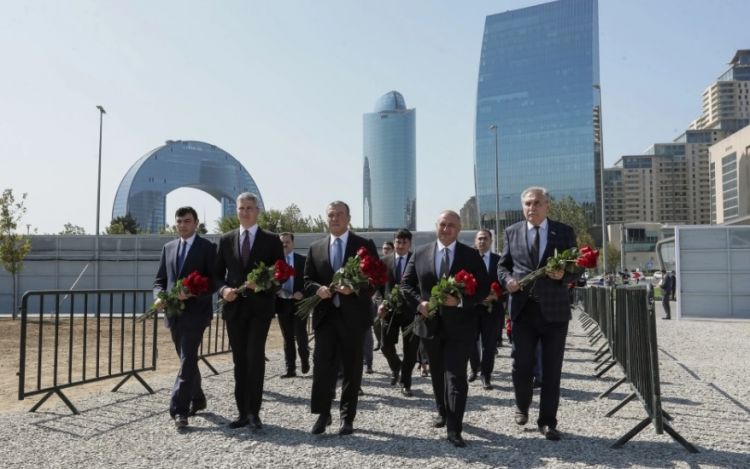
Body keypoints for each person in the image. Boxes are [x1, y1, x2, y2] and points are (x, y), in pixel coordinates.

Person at [402, 210, 489, 448]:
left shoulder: (470, 256)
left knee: (456, 376)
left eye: (451, 225)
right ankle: (442, 411)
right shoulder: (420, 254)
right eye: (442, 224)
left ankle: (455, 428)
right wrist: (419, 304)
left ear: (459, 229)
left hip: (460, 326)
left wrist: (460, 301)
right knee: (438, 373)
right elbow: (406, 285)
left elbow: (483, 288)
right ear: (436, 226)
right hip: (430, 326)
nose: (446, 228)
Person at [497, 186, 578, 441]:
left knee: (552, 370)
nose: (531, 208)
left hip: (554, 312)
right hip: (523, 311)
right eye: (527, 204)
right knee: (521, 366)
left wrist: (564, 275)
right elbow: (503, 266)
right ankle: (522, 405)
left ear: (547, 205)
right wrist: (507, 280)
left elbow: (577, 269)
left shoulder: (564, 232)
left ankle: (548, 421)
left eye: (536, 203)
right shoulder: (512, 232)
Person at [304, 201, 378, 436]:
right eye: (330, 215)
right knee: (322, 367)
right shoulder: (316, 248)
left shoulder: (363, 245)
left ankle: (347, 417)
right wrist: (317, 289)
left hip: (353, 318)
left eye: (339, 215)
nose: (334, 218)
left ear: (348, 217)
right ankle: (323, 414)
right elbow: (306, 280)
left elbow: (374, 280)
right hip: (325, 317)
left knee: (352, 368)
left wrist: (354, 289)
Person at [215, 192, 284, 430]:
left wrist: (263, 284)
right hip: (234, 309)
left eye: (249, 208)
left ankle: (254, 412)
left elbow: (280, 275)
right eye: (241, 208)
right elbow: (216, 275)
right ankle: (241, 412)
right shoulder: (225, 239)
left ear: (258, 211)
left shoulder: (272, 239)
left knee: (255, 358)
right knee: (239, 361)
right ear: (236, 211)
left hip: (259, 309)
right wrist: (223, 290)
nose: (245, 212)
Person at [153, 207, 217, 429]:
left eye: (187, 221)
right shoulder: (168, 247)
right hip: (173, 314)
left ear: (196, 223)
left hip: (196, 313)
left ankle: (180, 410)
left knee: (187, 358)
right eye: (179, 221)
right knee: (186, 358)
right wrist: (159, 297)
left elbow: (214, 281)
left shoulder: (208, 248)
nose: (182, 225)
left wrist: (191, 292)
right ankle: (198, 398)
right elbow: (160, 281)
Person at [377, 229, 418, 397]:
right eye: (398, 242)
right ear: (394, 243)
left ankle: (406, 382)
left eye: (404, 243)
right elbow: (378, 287)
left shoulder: (417, 260)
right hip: (389, 310)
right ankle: (396, 367)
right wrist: (380, 303)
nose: (400, 246)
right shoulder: (384, 261)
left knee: (411, 350)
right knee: (385, 345)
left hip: (411, 312)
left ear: (410, 244)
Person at [468, 229, 503, 390]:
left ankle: (486, 376)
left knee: (489, 345)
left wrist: (497, 296)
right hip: (472, 309)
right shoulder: (468, 259)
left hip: (492, 310)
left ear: (491, 241)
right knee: (470, 342)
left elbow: (506, 283)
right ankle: (475, 368)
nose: (482, 241)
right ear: (475, 241)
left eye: (485, 239)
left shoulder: (499, 260)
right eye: (479, 239)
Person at [276, 232, 310, 377]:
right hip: (282, 304)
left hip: (299, 303)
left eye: (287, 241)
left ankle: (305, 360)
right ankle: (290, 368)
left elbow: (309, 280)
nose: (284, 244)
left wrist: (302, 292)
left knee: (301, 335)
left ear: (293, 243)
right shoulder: (274, 262)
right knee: (287, 337)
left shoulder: (303, 260)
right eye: (282, 242)